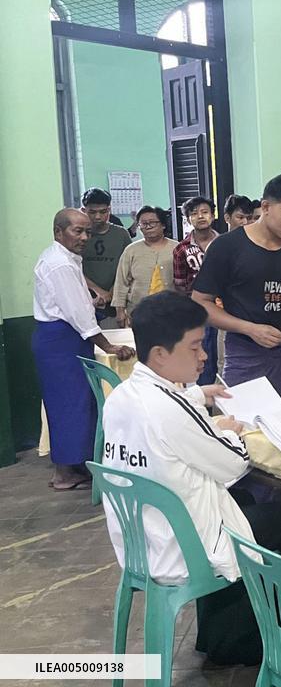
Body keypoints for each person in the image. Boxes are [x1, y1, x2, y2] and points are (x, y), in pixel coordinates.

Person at [101, 290, 281, 664]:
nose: (204, 355)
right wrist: (231, 432)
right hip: (183, 548)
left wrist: (198, 399)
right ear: (160, 354)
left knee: (249, 504)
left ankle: (218, 636)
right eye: (194, 348)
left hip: (141, 542)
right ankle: (252, 644)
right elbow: (233, 465)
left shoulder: (121, 397)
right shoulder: (167, 409)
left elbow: (169, 420)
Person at [192, 174, 281, 404]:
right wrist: (250, 329)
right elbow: (200, 303)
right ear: (265, 207)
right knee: (246, 427)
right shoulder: (227, 247)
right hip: (245, 353)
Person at [32, 209, 135, 491]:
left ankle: (77, 464)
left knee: (79, 402)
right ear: (58, 232)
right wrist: (108, 345)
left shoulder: (65, 258)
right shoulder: (60, 264)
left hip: (63, 338)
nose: (84, 237)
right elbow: (78, 315)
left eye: (87, 231)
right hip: (60, 341)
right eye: (77, 231)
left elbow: (76, 305)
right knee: (69, 404)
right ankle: (64, 473)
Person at [174, 196, 219, 384]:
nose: (200, 217)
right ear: (188, 219)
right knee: (204, 356)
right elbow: (179, 284)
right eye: (194, 213)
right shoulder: (181, 249)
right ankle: (206, 401)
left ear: (213, 215)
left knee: (225, 356)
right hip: (198, 312)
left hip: (227, 308)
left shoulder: (225, 243)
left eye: (205, 212)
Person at [111, 206, 177, 327]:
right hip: (137, 312)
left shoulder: (176, 248)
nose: (148, 226)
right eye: (143, 223)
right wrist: (120, 311)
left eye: (152, 223)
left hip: (171, 312)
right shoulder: (131, 250)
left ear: (163, 225)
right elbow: (121, 282)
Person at [81, 187, 132, 326]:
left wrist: (111, 293)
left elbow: (127, 268)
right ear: (83, 210)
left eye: (103, 212)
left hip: (115, 307)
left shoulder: (121, 234)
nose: (98, 217)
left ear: (109, 210)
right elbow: (73, 268)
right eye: (92, 212)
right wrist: (98, 291)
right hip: (83, 303)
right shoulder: (78, 235)